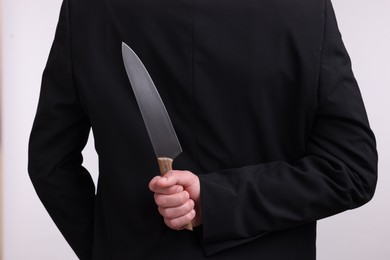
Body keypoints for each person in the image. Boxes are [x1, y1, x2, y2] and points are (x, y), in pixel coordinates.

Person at [28, 0, 378, 259]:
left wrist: (104, 250)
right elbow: (350, 169)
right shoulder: (303, 9)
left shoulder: (89, 10)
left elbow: (49, 163)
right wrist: (222, 201)